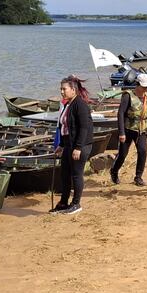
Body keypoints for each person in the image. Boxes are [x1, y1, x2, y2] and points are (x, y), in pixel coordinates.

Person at [52, 75, 94, 214]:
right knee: (64, 174)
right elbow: (66, 127)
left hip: (80, 145)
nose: (62, 92)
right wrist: (62, 145)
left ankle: (76, 203)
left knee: (76, 174)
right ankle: (64, 202)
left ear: (73, 90)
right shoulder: (68, 104)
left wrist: (78, 147)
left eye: (64, 89)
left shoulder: (80, 105)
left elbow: (83, 127)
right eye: (61, 89)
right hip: (69, 144)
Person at [110, 73, 147, 187]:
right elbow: (121, 114)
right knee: (122, 154)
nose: (146, 89)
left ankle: (138, 177)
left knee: (143, 152)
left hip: (141, 130)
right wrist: (121, 132)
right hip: (128, 129)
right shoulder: (128, 96)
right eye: (144, 87)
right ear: (138, 84)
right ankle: (114, 171)